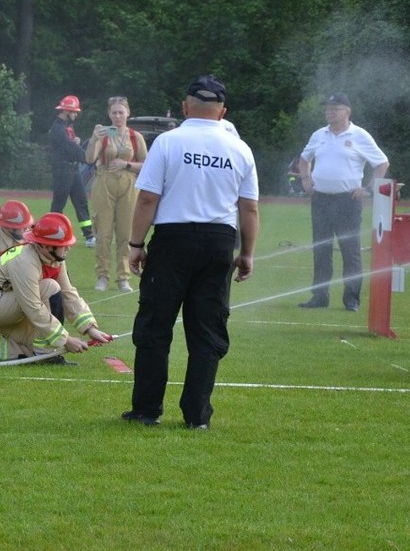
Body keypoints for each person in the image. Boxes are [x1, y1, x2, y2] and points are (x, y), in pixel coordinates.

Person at [123, 75, 259, 429]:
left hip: (172, 240)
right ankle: (197, 416)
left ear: (185, 107)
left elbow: (148, 198)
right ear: (223, 111)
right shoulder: (240, 149)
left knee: (155, 326)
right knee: (207, 332)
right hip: (219, 242)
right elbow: (249, 209)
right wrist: (247, 253)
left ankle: (147, 410)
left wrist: (136, 245)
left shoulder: (168, 142)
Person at [0, 212, 113, 362]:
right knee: (50, 288)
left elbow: (68, 293)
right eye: (63, 245)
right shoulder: (25, 261)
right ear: (47, 246)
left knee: (39, 341)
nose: (68, 249)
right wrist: (65, 339)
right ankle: (45, 355)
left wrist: (90, 328)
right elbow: (33, 307)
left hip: (7, 303)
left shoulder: (53, 258)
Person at [297, 93, 389, 311]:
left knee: (350, 251)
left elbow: (382, 163)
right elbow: (304, 159)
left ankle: (351, 299)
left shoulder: (359, 135)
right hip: (321, 199)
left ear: (347, 111)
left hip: (347, 201)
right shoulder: (319, 134)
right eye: (328, 108)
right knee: (321, 250)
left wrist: (367, 189)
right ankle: (319, 297)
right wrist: (306, 179)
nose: (329, 111)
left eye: (335, 108)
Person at [86, 96, 148, 292]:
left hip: (129, 183)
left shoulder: (135, 137)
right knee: (103, 233)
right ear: (109, 114)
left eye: (121, 112)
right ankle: (102, 276)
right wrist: (94, 138)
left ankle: (123, 277)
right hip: (104, 180)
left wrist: (127, 164)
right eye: (114, 112)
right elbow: (89, 158)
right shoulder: (103, 134)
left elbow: (147, 165)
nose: (118, 116)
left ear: (128, 113)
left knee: (125, 233)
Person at [49, 95, 95, 247]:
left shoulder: (67, 127)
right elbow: (70, 148)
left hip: (72, 168)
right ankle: (52, 232)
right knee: (59, 203)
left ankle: (89, 236)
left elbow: (72, 144)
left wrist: (77, 142)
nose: (76, 115)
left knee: (81, 200)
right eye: (74, 112)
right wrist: (88, 158)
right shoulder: (58, 128)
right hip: (62, 169)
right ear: (67, 111)